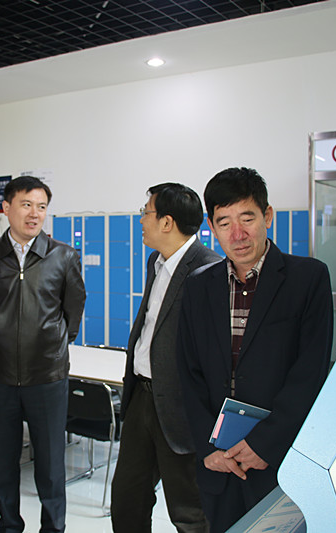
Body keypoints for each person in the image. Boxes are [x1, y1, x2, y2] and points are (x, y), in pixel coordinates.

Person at [176, 168, 332, 532]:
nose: (237, 233)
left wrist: (265, 443)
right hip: (219, 462)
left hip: (277, 460)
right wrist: (208, 448)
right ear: (211, 228)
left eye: (247, 218)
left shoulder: (307, 279)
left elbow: (310, 373)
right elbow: (189, 372)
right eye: (224, 222)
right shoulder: (199, 286)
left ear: (268, 216)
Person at [0, 176, 86, 533]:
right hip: (0, 375)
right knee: (3, 460)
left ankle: (53, 528)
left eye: (41, 207)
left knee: (50, 463)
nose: (34, 214)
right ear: (6, 208)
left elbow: (73, 311)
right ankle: (8, 525)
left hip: (47, 376)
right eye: (26, 205)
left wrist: (52, 345)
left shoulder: (63, 256)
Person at [111, 183, 220, 533]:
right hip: (141, 399)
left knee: (188, 511)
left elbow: (216, 355)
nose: (141, 220)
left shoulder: (210, 270)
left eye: (146, 212)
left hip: (180, 407)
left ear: (167, 222)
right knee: (127, 499)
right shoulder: (155, 262)